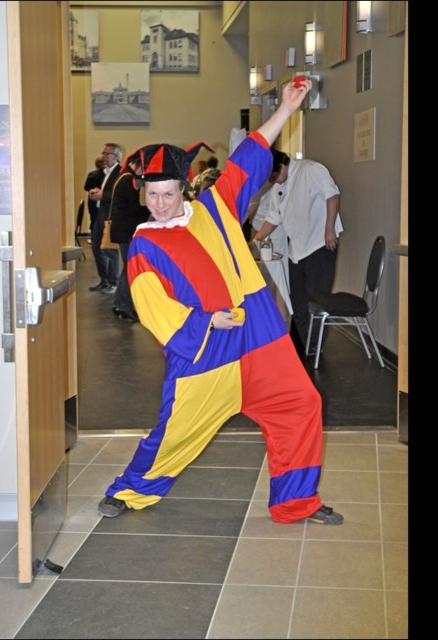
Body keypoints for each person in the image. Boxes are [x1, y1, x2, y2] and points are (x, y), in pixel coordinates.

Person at [97, 77, 343, 526]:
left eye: (168, 193)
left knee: (301, 403)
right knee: (176, 433)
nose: (160, 203)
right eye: (152, 195)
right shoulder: (144, 244)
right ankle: (130, 490)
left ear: (183, 188)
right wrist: (208, 322)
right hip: (206, 350)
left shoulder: (216, 205)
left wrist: (287, 108)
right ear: (142, 194)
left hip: (261, 335)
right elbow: (152, 307)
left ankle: (295, 501)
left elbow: (249, 156)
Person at [252, 148, 342, 357]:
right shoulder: (278, 187)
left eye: (275, 176)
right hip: (298, 250)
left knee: (316, 298)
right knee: (297, 299)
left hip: (321, 244)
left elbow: (333, 196)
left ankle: (315, 347)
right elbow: (273, 218)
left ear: (282, 166)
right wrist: (254, 241)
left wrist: (329, 229)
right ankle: (302, 343)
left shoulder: (310, 169)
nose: (274, 181)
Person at [107, 155, 150, 322]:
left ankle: (120, 304)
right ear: (140, 166)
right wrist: (151, 212)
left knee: (128, 267)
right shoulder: (128, 180)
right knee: (130, 268)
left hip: (122, 230)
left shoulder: (124, 177)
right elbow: (133, 209)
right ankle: (123, 305)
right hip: (125, 231)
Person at [87, 143, 122, 293]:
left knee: (110, 251)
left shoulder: (120, 173)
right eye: (103, 153)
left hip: (110, 217)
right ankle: (104, 280)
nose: (104, 157)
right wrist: (97, 194)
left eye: (107, 154)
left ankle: (113, 282)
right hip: (100, 216)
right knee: (96, 249)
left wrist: (103, 195)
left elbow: (121, 195)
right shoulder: (106, 172)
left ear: (116, 157)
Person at [82, 156, 105, 235]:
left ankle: (93, 238)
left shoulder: (92, 174)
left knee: (94, 220)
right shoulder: (109, 175)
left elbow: (86, 187)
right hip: (105, 201)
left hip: (93, 201)